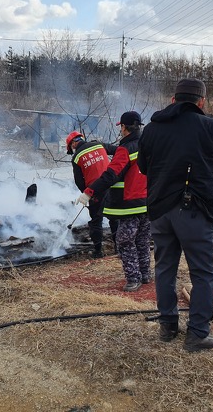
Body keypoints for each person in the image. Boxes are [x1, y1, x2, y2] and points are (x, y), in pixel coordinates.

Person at [137, 78, 213, 352]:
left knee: (164, 269)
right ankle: (197, 333)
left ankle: (168, 326)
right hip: (194, 211)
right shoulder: (210, 126)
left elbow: (142, 166)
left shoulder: (151, 129)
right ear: (201, 102)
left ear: (174, 99)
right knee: (202, 273)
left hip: (160, 212)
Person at [76, 111, 150, 291]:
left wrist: (89, 191)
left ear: (124, 128)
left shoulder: (126, 149)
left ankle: (134, 278)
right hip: (147, 201)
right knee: (142, 239)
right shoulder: (147, 144)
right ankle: (145, 274)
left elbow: (111, 175)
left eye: (121, 127)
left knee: (125, 240)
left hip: (129, 204)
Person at [66, 131, 117, 258]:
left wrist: (88, 194)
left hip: (95, 190)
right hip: (112, 185)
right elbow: (119, 151)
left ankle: (98, 252)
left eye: (71, 147)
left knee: (96, 221)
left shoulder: (76, 157)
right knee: (115, 217)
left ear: (73, 143)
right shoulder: (99, 145)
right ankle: (119, 248)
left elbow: (79, 181)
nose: (72, 149)